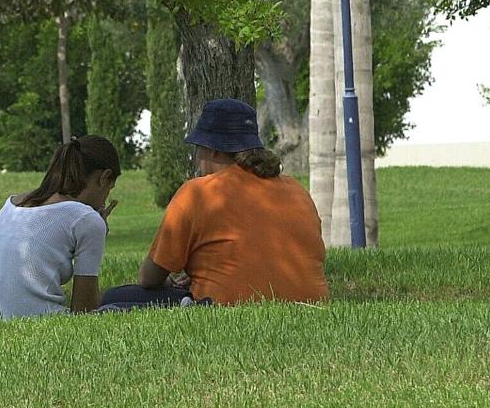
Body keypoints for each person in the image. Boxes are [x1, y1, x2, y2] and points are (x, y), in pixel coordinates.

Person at [101, 98, 329, 310]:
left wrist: (171, 280)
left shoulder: (198, 192)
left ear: (213, 149)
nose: (197, 158)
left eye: (198, 148)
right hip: (310, 303)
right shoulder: (296, 189)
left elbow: (148, 278)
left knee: (112, 298)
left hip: (224, 304)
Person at [0, 136, 120, 318]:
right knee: (127, 304)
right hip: (43, 322)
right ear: (104, 178)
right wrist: (98, 232)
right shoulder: (87, 219)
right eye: (108, 190)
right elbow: (85, 311)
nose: (104, 200)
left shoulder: (9, 206)